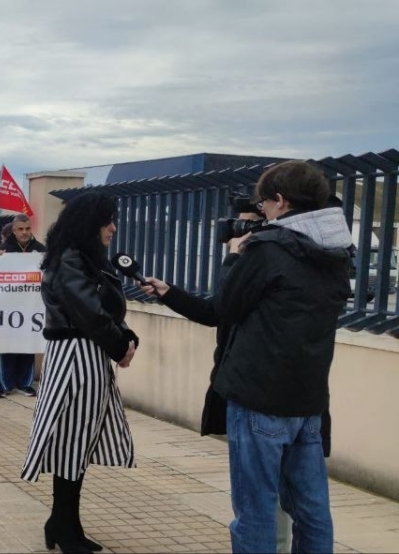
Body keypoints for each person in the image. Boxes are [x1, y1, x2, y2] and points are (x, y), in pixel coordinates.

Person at [141, 161, 346, 553]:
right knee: (313, 511)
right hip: (309, 402)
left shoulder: (267, 249)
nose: (262, 212)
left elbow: (223, 309)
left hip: (258, 399)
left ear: (281, 201)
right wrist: (171, 293)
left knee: (255, 511)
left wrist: (235, 256)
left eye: (264, 204)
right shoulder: (336, 250)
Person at [20, 191, 136, 554]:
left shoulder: (76, 256)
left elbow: (102, 310)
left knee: (76, 440)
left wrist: (125, 336)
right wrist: (121, 346)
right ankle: (63, 525)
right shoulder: (73, 258)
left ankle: (64, 523)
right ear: (90, 223)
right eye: (107, 221)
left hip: (82, 354)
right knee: (73, 439)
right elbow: (88, 312)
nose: (113, 227)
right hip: (77, 356)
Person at [0, 214, 48, 398]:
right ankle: (4, 383)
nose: (24, 233)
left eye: (27, 229)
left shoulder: (40, 249)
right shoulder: (4, 249)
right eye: (20, 229)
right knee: (7, 346)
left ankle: (25, 384)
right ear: (14, 230)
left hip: (31, 307)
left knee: (27, 345)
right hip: (8, 307)